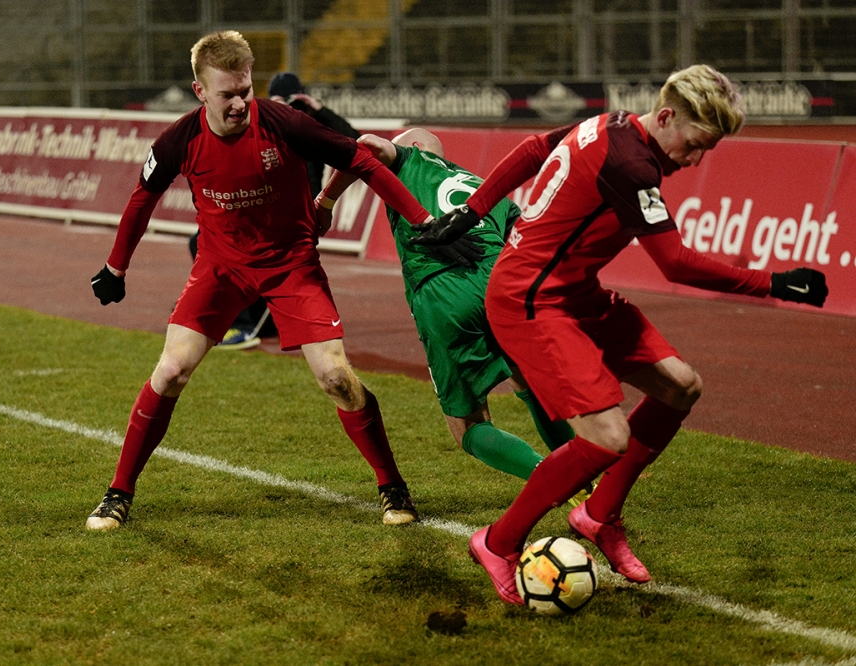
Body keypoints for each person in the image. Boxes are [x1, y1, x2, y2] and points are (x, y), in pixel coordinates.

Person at [411, 65, 828, 604]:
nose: (695, 161)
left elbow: (534, 149)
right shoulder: (631, 164)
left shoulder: (613, 124)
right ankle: (497, 542)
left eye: (708, 151)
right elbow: (674, 263)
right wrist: (774, 283)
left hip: (574, 293)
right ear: (667, 116)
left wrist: (473, 211)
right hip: (531, 302)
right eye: (695, 145)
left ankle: (599, 514)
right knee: (607, 437)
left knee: (680, 386)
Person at [86, 30, 436, 531]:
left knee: (336, 378)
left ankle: (392, 486)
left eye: (245, 91)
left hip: (291, 265)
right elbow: (143, 198)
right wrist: (115, 267)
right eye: (227, 94)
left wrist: (421, 219)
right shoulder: (178, 140)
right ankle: (118, 493)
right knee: (170, 372)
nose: (239, 104)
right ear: (199, 91)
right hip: (220, 269)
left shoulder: (283, 122)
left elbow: (361, 159)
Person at [317, 128, 579, 485]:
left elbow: (366, 146)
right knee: (531, 383)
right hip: (505, 284)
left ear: (414, 146)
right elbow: (531, 241)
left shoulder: (410, 160)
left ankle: (553, 479)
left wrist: (325, 201)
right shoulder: (484, 185)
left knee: (468, 425)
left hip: (445, 291)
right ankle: (584, 475)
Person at [192, 72, 361, 351]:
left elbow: (356, 144)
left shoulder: (309, 124)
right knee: (205, 241)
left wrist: (320, 111)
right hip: (262, 206)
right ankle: (247, 317)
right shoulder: (261, 120)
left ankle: (245, 325)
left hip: (296, 213)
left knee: (248, 253)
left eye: (292, 99)